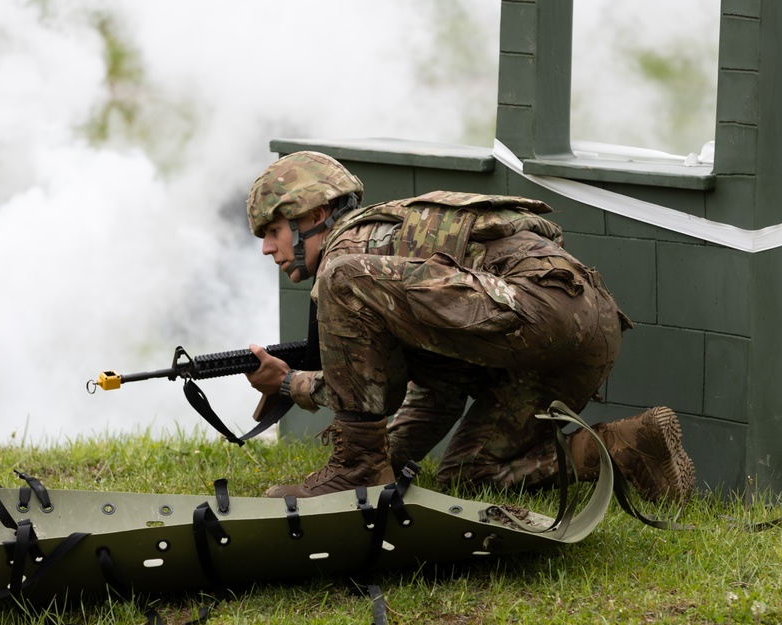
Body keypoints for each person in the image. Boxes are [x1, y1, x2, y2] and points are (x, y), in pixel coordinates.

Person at [244, 151, 695, 503]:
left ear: (314, 216)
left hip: (535, 310)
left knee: (340, 277)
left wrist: (290, 385)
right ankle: (629, 447)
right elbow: (434, 388)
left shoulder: (352, 255)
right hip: (585, 328)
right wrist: (390, 457)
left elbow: (382, 387)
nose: (267, 249)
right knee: (469, 474)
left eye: (273, 231)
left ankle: (355, 469)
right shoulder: (388, 259)